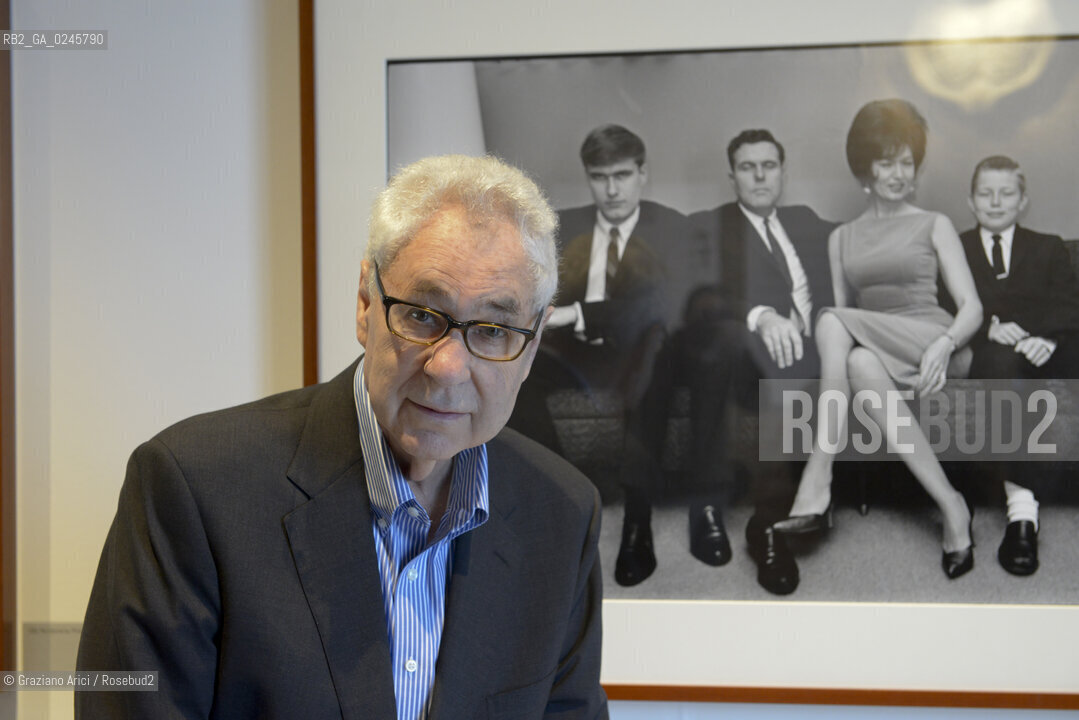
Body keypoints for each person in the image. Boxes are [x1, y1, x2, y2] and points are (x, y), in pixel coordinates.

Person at [76, 155, 609, 719]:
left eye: (494, 330)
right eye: (424, 316)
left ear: (533, 342)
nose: (448, 368)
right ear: (365, 304)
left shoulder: (563, 513)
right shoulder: (193, 488)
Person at [774, 99, 984, 581]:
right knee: (860, 363)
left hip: (933, 342)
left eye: (906, 161)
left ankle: (817, 477)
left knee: (830, 320)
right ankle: (952, 506)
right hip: (879, 352)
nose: (898, 173)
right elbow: (851, 321)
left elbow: (972, 307)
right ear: (865, 167)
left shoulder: (935, 224)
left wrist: (944, 343)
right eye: (886, 161)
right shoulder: (842, 238)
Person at [509, 124, 698, 587]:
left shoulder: (671, 226)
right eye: (599, 176)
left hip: (635, 352)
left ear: (642, 174)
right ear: (588, 177)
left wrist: (577, 313)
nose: (611, 189)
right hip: (574, 355)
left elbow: (664, 305)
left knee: (656, 354)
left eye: (622, 175)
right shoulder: (562, 227)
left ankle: (638, 520)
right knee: (513, 363)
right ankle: (562, 500)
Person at [686, 129, 836, 595]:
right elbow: (700, 289)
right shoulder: (713, 225)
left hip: (824, 347)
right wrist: (762, 316)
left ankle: (768, 523)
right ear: (732, 177)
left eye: (768, 165)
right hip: (755, 352)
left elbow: (857, 252)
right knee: (763, 354)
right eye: (748, 167)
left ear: (783, 173)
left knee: (804, 360)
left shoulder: (807, 221)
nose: (759, 176)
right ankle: (739, 514)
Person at [957, 154, 1079, 576]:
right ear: (971, 202)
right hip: (995, 353)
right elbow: (939, 307)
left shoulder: (1049, 246)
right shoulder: (956, 248)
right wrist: (987, 328)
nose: (995, 202)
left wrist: (1042, 336)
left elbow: (1068, 306)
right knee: (998, 361)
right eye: (985, 194)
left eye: (1006, 193)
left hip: (1050, 349)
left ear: (1022, 200)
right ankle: (1022, 514)